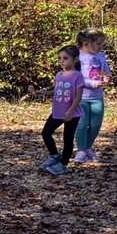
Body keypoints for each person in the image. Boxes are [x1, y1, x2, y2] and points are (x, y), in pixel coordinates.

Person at [34, 45, 85, 175]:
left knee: (67, 139)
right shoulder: (59, 74)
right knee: (46, 133)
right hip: (58, 110)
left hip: (72, 113)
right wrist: (42, 93)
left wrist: (71, 111)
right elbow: (56, 91)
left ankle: (63, 164)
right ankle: (54, 155)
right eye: (60, 58)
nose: (62, 61)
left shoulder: (78, 76)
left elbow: (78, 96)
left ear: (75, 60)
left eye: (65, 58)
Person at [73, 29, 111, 162]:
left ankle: (88, 147)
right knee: (82, 124)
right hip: (81, 97)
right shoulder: (78, 57)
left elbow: (106, 71)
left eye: (102, 44)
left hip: (97, 97)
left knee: (96, 124)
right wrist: (91, 83)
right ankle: (81, 149)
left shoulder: (100, 56)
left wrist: (107, 78)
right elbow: (75, 77)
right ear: (86, 43)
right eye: (98, 44)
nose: (101, 47)